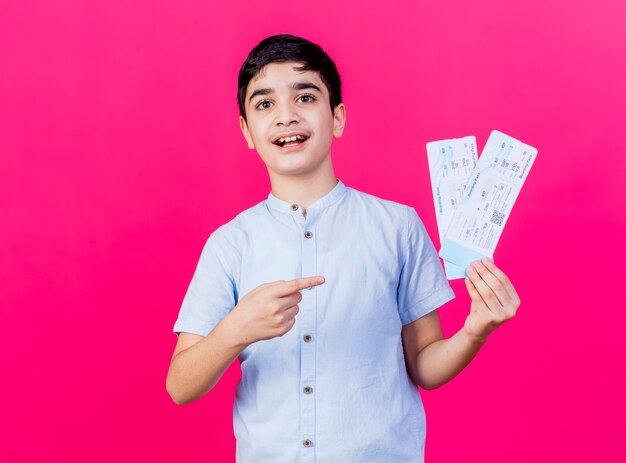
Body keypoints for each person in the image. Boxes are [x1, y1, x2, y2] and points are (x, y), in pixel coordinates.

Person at [166, 34, 521, 462]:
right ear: (247, 131)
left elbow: (425, 366)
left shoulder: (398, 227)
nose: (285, 116)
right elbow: (180, 385)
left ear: (337, 118)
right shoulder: (229, 244)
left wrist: (475, 329)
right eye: (264, 104)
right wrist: (237, 328)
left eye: (305, 97)